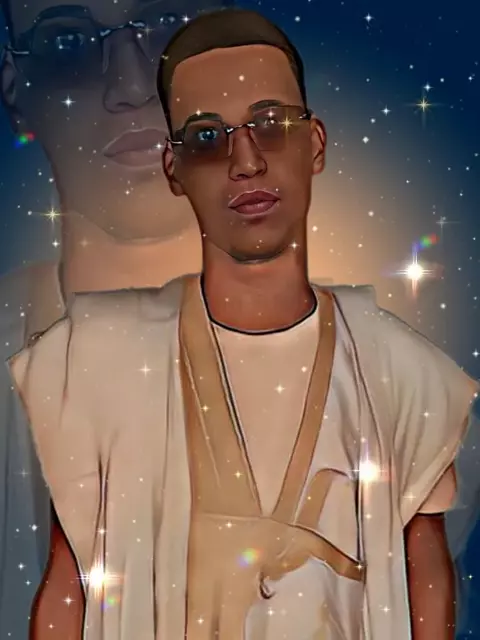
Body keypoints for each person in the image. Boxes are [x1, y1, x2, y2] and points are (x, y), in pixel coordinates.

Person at [8, 8, 479, 639]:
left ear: (315, 143)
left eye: (271, 125)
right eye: (208, 137)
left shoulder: (404, 371)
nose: (246, 161)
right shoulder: (95, 359)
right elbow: (70, 582)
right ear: (174, 168)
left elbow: (426, 575)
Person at [0, 0, 232, 636]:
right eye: (68, 44)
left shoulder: (390, 396)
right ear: (15, 84)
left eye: (169, 25)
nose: (131, 87)